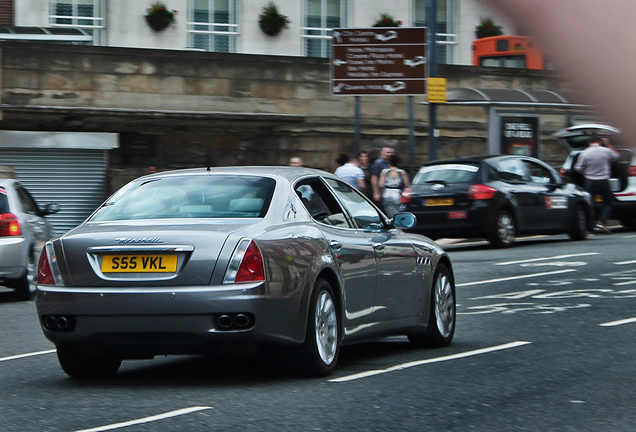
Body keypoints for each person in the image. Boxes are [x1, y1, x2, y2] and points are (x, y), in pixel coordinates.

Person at [574, 134, 619, 233]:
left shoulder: (584, 153)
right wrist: (608, 144)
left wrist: (585, 173)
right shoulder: (606, 151)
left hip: (590, 182)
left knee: (590, 204)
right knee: (608, 203)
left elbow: (578, 168)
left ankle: (589, 227)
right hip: (603, 182)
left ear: (588, 143)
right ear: (600, 141)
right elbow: (616, 156)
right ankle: (601, 222)